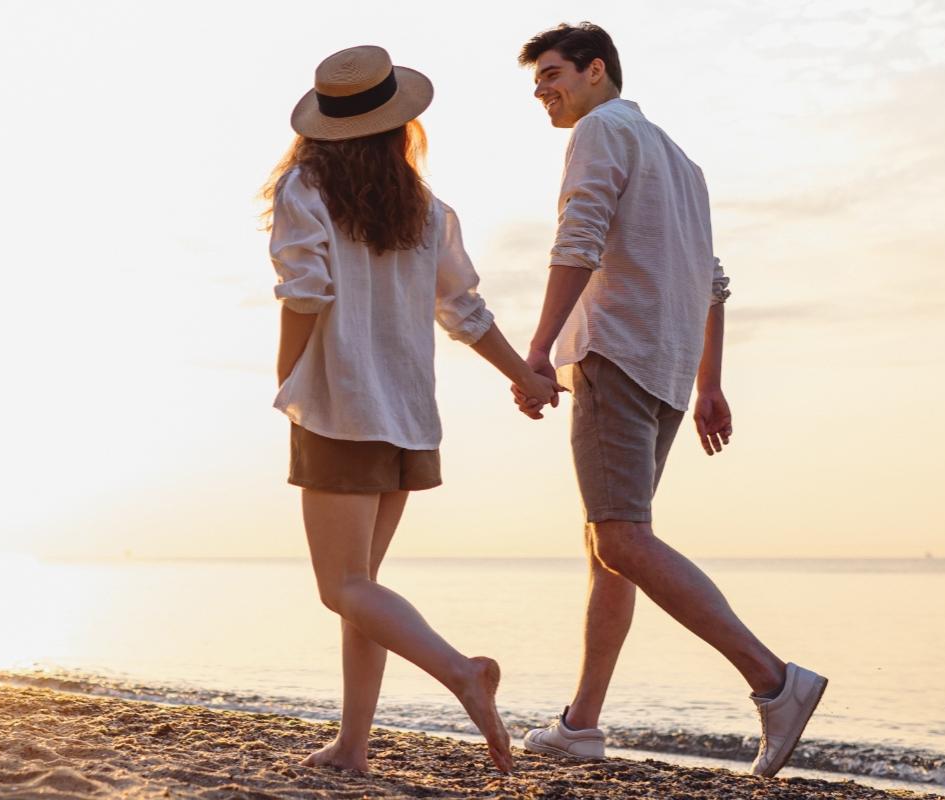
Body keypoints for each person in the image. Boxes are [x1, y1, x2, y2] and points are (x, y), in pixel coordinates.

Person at [506, 23, 828, 778]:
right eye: (535, 83)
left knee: (617, 539)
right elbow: (712, 280)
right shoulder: (682, 162)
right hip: (666, 369)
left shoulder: (599, 131)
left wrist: (540, 347)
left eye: (552, 74)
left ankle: (775, 682)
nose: (542, 92)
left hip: (618, 356)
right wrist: (708, 381)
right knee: (609, 549)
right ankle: (582, 724)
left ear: (596, 71)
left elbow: (577, 239)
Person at [266, 44, 559, 775]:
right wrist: (521, 372)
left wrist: (286, 373)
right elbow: (463, 310)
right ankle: (354, 746)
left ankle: (464, 672)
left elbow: (304, 291)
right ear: (399, 127)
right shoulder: (426, 209)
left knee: (345, 588)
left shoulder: (306, 187)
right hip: (407, 418)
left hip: (341, 407)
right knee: (363, 588)